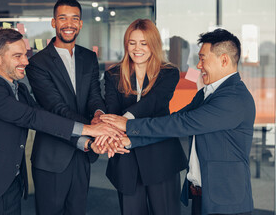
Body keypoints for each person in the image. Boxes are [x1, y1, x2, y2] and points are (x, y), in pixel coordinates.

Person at [0, 28, 120, 215]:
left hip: (10, 185)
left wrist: (87, 143)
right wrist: (90, 129)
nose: (26, 61)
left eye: (25, 54)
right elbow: (31, 117)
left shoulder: (21, 90)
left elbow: (46, 124)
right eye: (18, 56)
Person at [101, 28, 255, 215]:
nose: (198, 65)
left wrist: (127, 125)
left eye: (203, 59)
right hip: (202, 194)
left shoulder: (233, 98)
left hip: (227, 200)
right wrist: (131, 140)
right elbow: (171, 123)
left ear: (224, 60)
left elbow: (182, 124)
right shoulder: (207, 94)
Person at [25, 0, 112, 215]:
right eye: (62, 18)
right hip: (52, 156)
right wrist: (97, 129)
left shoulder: (89, 57)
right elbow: (56, 108)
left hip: (82, 154)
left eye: (74, 18)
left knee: (77, 210)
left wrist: (99, 115)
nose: (69, 24)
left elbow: (94, 95)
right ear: (53, 23)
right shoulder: (37, 63)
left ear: (81, 24)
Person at [104, 19, 187, 215]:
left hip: (161, 157)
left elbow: (155, 102)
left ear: (154, 44)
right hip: (125, 157)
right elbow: (111, 109)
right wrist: (113, 134)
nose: (137, 48)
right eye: (132, 42)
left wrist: (125, 120)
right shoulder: (113, 75)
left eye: (144, 43)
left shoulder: (168, 73)